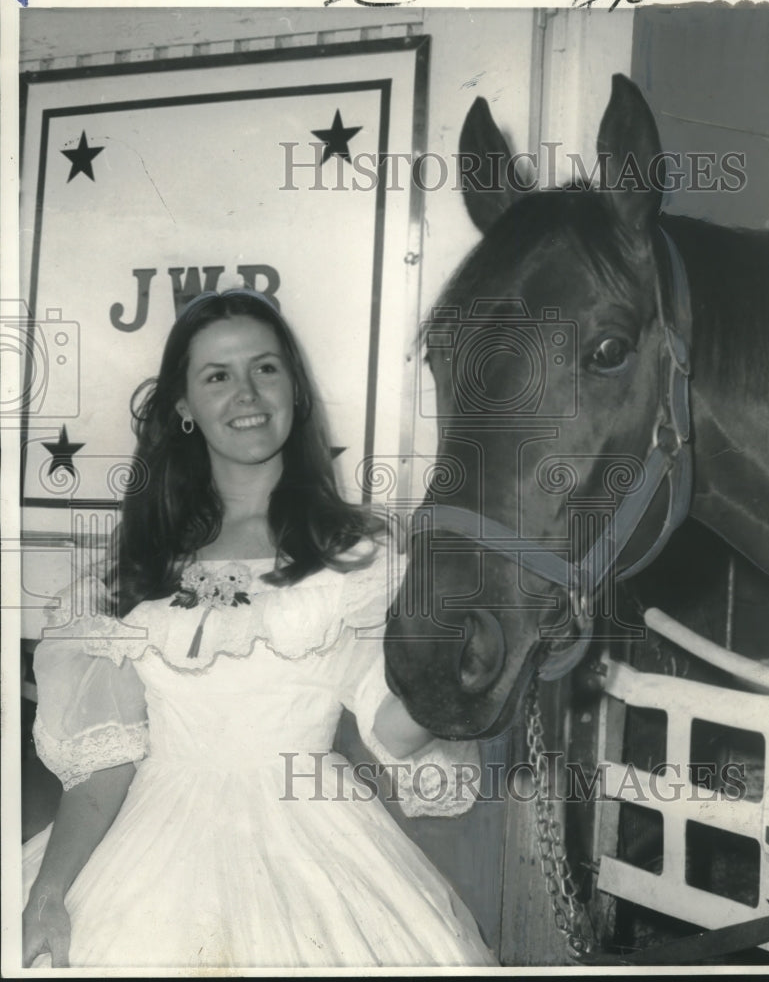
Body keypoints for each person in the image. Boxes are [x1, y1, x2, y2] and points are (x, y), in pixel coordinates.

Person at [21, 288, 495, 969]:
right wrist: (49, 894)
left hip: (312, 850)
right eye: (217, 375)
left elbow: (388, 725)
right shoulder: (140, 561)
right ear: (184, 407)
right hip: (147, 853)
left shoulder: (359, 554)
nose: (246, 393)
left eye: (264, 368)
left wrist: (462, 665)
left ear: (294, 389)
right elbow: (103, 770)